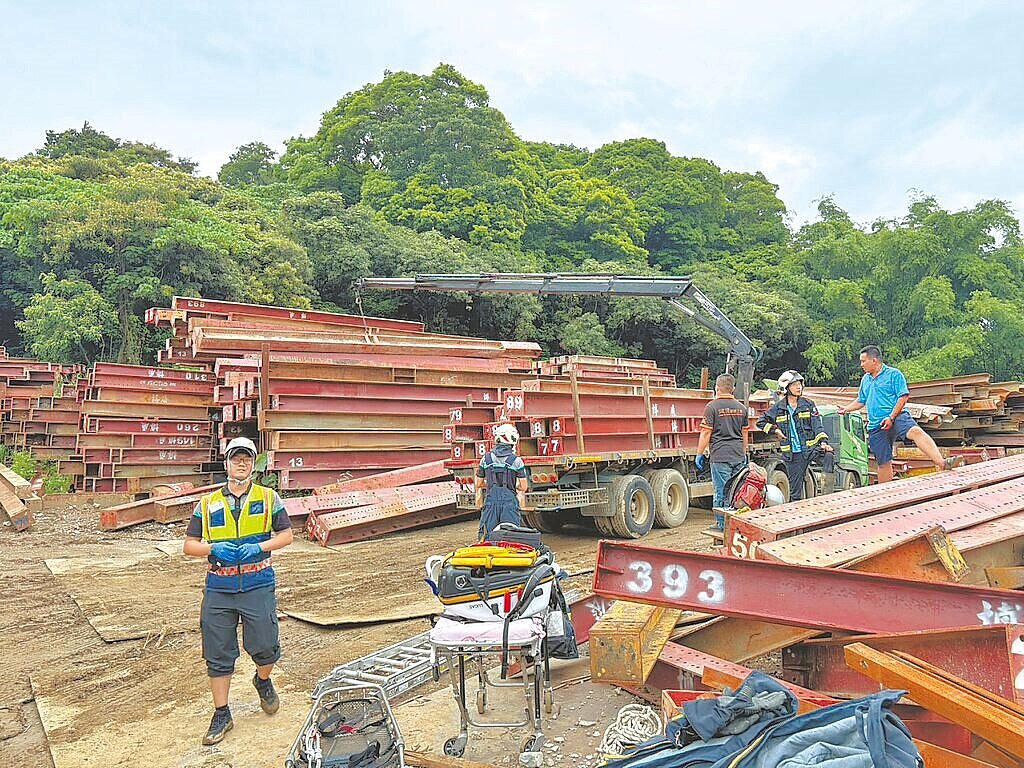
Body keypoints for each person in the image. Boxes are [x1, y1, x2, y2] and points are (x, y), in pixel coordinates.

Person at [183, 436, 294, 746]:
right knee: (218, 653)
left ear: (253, 463)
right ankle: (222, 713)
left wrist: (259, 547)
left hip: (258, 584)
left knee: (266, 646)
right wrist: (212, 547)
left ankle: (262, 680)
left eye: (246, 458)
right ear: (226, 463)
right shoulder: (207, 503)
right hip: (219, 587)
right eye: (236, 458)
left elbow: (287, 536)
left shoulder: (269, 497)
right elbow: (188, 545)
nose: (241, 463)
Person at [839, 345, 961, 483]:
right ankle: (886, 495)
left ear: (874, 360)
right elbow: (861, 400)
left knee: (915, 432)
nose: (861, 365)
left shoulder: (894, 375)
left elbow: (903, 396)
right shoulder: (865, 380)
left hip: (896, 416)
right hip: (876, 424)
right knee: (883, 462)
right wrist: (845, 409)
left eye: (863, 361)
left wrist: (891, 417)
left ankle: (942, 463)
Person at [756, 370, 834, 501]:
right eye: (795, 385)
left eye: (800, 384)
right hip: (792, 455)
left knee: (828, 456)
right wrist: (775, 430)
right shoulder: (779, 408)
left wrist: (823, 443)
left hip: (810, 449)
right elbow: (760, 422)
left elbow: (817, 425)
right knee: (795, 493)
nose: (799, 387)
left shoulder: (808, 405)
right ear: (786, 388)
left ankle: (827, 495)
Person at [696, 373, 749, 515]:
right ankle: (736, 525)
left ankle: (722, 526)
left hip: (720, 457)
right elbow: (744, 433)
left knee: (721, 492)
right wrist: (744, 453)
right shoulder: (742, 408)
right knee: (737, 492)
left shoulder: (712, 407)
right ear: (733, 389)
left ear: (716, 388)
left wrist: (699, 454)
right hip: (738, 456)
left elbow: (706, 432)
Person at [475, 422, 528, 540]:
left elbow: (478, 484)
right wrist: (514, 486)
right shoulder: (516, 461)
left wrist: (489, 484)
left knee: (488, 537)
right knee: (511, 537)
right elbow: (524, 487)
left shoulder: (486, 459)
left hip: (490, 503)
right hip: (509, 504)